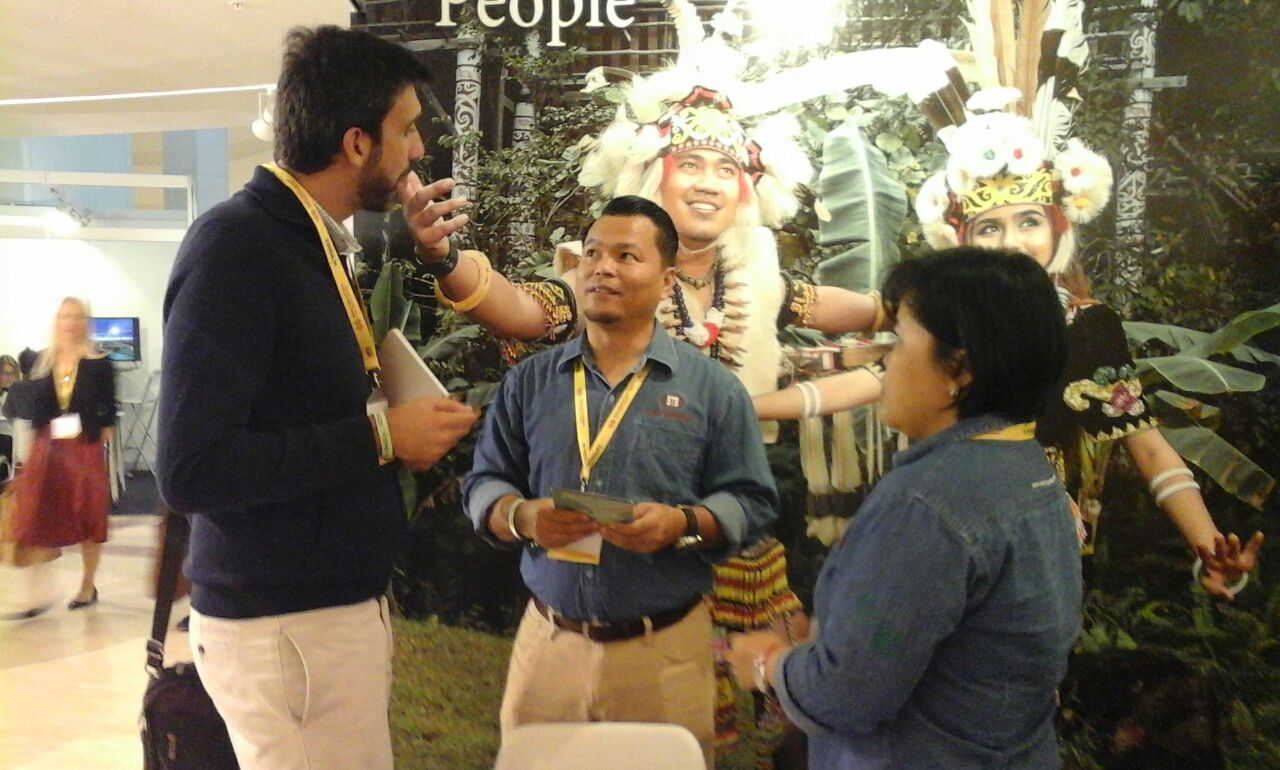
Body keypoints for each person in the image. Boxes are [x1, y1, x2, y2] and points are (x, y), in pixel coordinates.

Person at [753, 74, 1262, 600]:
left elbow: (1148, 448)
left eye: (1028, 222)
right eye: (991, 227)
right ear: (964, 240)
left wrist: (1209, 551)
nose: (1013, 241)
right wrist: (751, 379)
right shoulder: (944, 315)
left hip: (1031, 540)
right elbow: (867, 374)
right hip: (937, 524)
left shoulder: (1085, 328)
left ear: (1057, 230)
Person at [156, 26, 478, 770]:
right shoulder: (239, 245)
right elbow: (192, 469)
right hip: (286, 627)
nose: (419, 150)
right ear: (357, 143)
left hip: (313, 616)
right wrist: (381, 438)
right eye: (407, 129)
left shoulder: (305, 241)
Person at [727, 249, 1083, 769]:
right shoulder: (1024, 466)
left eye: (899, 342)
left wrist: (768, 664)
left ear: (958, 368)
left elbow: (845, 696)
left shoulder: (928, 503)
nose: (887, 361)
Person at [462, 195, 779, 767]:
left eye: (626, 255)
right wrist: (521, 515)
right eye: (592, 254)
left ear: (666, 280)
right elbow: (484, 482)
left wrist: (684, 523)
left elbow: (751, 500)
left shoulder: (712, 390)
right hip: (549, 646)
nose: (602, 267)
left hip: (663, 652)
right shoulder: (530, 383)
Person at [5, 298, 116, 610]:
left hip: (84, 448)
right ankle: (37, 591)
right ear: (57, 321)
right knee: (37, 514)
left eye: (77, 317)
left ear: (86, 322)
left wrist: (100, 441)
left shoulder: (100, 363)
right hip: (48, 448)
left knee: (88, 516)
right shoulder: (40, 361)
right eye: (65, 317)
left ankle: (87, 586)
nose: (71, 323)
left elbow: (108, 411)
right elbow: (31, 408)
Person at [0, 354, 18, 478]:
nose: (8, 378)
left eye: (12, 374)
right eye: (5, 373)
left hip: (14, 436)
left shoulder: (20, 395)